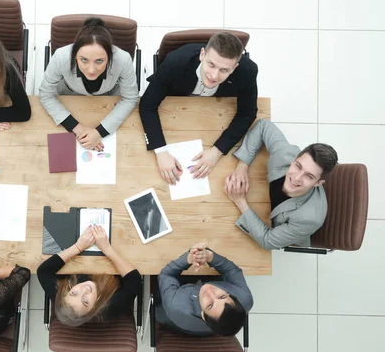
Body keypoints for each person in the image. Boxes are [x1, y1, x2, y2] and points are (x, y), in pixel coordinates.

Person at [139, 32, 258, 184]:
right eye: (211, 64)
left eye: (224, 70)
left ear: (234, 68)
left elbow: (247, 113)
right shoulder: (175, 62)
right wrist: (161, 152)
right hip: (175, 105)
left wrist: (217, 151)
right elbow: (147, 105)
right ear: (202, 55)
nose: (214, 75)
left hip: (212, 115)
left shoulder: (248, 71)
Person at [224, 118, 338, 250]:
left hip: (286, 232)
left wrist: (240, 201)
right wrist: (242, 166)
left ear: (318, 183)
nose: (297, 177)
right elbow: (263, 126)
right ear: (294, 159)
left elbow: (268, 241)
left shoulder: (309, 219)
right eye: (298, 166)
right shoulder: (286, 154)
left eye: (309, 176)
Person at [39, 18, 139, 152]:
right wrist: (79, 130)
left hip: (107, 100)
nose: (91, 70)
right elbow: (46, 95)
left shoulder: (123, 59)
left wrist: (99, 132)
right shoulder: (61, 57)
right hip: (69, 97)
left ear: (110, 56)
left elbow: (130, 98)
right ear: (74, 55)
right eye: (84, 60)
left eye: (99, 61)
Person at [37, 225, 141, 326]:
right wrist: (107, 249)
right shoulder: (112, 306)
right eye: (85, 301)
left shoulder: (62, 299)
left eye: (74, 293)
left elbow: (43, 271)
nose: (84, 290)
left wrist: (78, 247)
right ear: (93, 309)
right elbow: (134, 279)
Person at [156, 242, 253, 336]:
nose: (210, 292)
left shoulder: (175, 305)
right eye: (222, 296)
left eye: (210, 305)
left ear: (203, 315)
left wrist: (189, 259)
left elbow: (166, 275)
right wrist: (209, 256)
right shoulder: (244, 298)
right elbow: (232, 270)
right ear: (232, 296)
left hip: (174, 310)